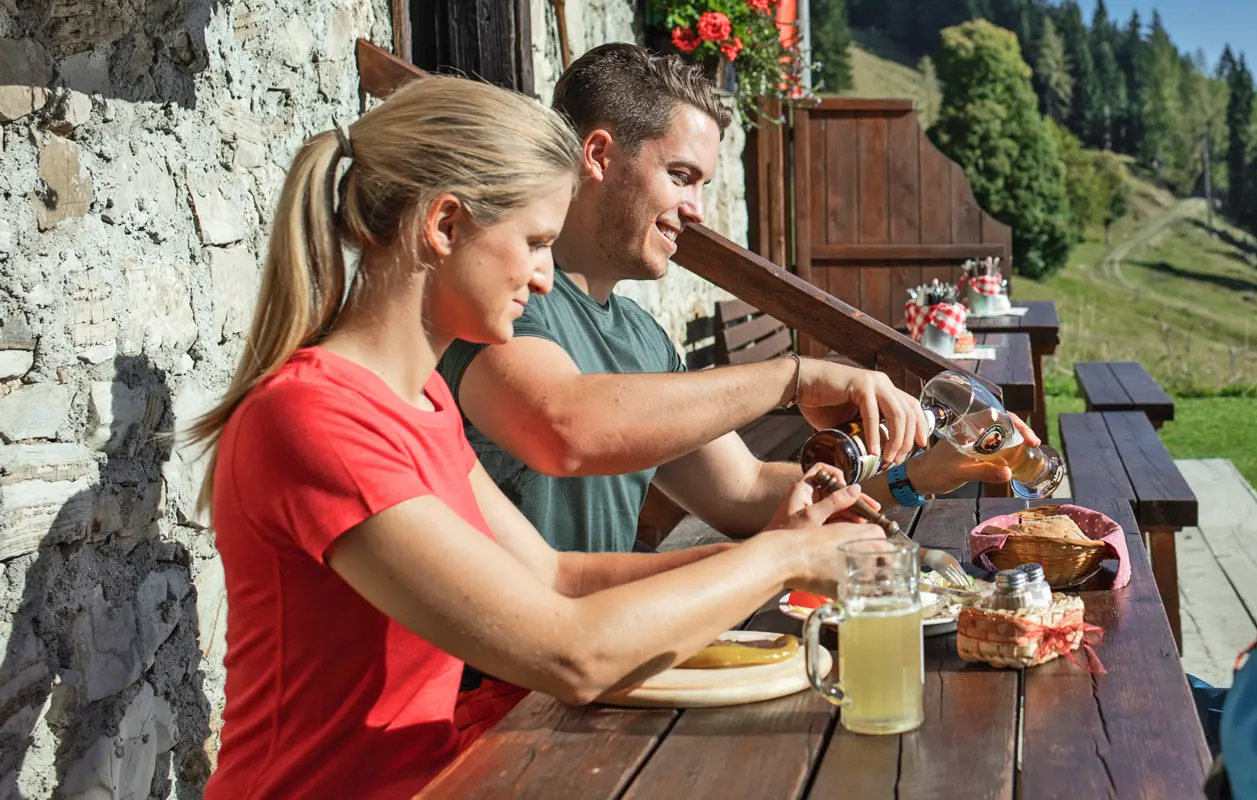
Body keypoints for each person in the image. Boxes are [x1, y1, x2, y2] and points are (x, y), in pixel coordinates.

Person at [184, 76, 882, 800]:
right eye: (536, 242)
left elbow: (554, 576)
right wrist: (778, 559)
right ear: (446, 226)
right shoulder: (316, 419)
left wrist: (792, 555)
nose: (546, 278)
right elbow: (568, 652)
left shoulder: (419, 398)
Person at [434, 44, 1034, 736]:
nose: (695, 210)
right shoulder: (503, 304)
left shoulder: (639, 334)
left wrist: (920, 474)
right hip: (508, 704)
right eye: (681, 176)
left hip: (602, 681)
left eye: (703, 185)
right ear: (598, 155)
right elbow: (565, 428)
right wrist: (795, 375)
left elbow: (744, 490)